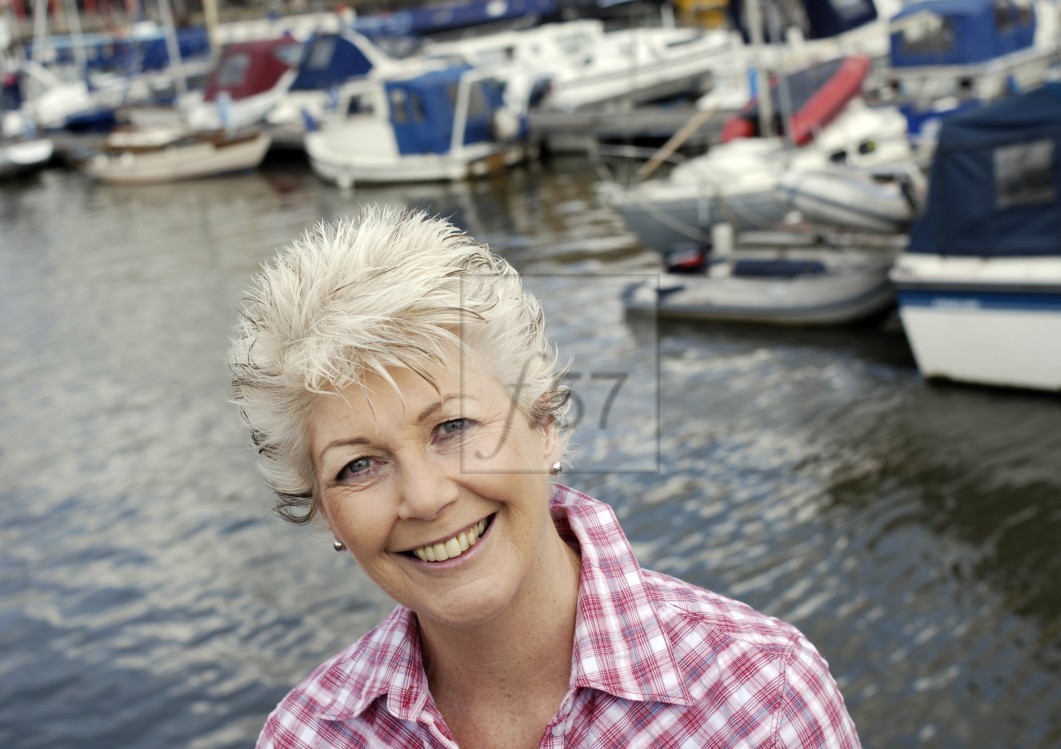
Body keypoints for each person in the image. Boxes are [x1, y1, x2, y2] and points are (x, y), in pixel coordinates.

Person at [228, 205, 862, 748]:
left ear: (545, 423)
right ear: (323, 509)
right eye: (358, 465)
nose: (424, 497)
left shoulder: (761, 698)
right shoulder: (310, 735)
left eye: (453, 427)